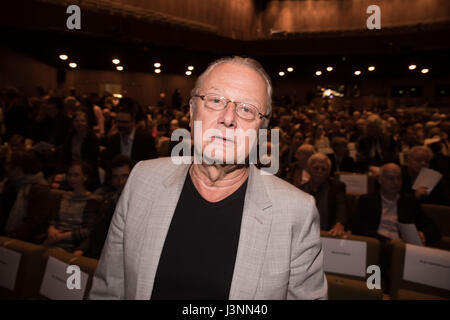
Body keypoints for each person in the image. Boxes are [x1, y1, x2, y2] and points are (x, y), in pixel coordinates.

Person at [89, 56, 327, 300]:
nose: (228, 118)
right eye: (215, 100)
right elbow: (109, 289)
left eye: (246, 109)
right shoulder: (141, 180)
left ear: (262, 131)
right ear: (192, 112)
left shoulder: (296, 212)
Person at [351, 163, 441, 246]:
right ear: (380, 180)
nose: (396, 182)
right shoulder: (367, 200)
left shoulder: (409, 202)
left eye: (399, 178)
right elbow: (358, 229)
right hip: (377, 246)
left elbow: (434, 229)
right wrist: (388, 241)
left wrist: (423, 234)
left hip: (402, 249)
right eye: (391, 178)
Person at [44, 161, 101, 255]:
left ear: (85, 177)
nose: (71, 179)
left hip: (73, 245)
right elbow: (54, 220)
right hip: (53, 240)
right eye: (69, 175)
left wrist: (62, 236)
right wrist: (51, 229)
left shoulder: (91, 200)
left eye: (76, 175)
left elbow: (88, 231)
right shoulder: (64, 196)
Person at [85, 155, 133, 259]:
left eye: (125, 176)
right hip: (103, 254)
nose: (120, 182)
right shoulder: (107, 201)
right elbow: (96, 233)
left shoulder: (140, 203)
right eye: (116, 177)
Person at [0, 150, 52, 243]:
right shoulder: (11, 184)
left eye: (10, 165)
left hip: (25, 239)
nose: (6, 168)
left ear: (21, 168)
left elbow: (33, 223)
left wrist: (9, 237)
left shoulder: (40, 190)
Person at [301, 153, 349, 237]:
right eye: (316, 168)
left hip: (329, 234)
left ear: (329, 172)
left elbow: (341, 206)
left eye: (324, 169)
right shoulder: (300, 190)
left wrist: (339, 224)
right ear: (308, 169)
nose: (319, 171)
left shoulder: (337, 187)